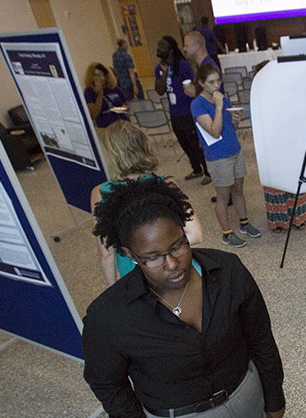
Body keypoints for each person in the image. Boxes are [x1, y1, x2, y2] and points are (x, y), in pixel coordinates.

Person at [83, 176, 285, 418]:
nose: (173, 264)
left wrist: (274, 395)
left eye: (178, 245)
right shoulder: (110, 317)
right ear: (129, 255)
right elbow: (107, 383)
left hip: (243, 399)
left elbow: (260, 338)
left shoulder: (228, 270)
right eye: (153, 257)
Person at [90, 120, 203, 286]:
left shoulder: (101, 193)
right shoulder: (166, 184)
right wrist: (166, 250)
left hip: (139, 277)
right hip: (179, 272)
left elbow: (106, 254)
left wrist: (114, 291)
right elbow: (196, 234)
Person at [191, 62, 261, 248]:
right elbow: (214, 131)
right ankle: (227, 234)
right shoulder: (197, 104)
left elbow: (230, 127)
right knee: (223, 197)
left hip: (234, 150)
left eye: (218, 81)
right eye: (211, 82)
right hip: (218, 156)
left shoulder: (221, 98)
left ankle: (244, 223)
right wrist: (219, 106)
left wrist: (236, 121)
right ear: (201, 83)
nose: (216, 86)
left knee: (238, 190)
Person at [155, 35, 211, 186]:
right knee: (184, 143)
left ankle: (207, 171)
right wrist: (164, 74)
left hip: (188, 111)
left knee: (195, 143)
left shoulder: (182, 65)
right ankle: (196, 169)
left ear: (171, 50)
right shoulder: (159, 69)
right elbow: (159, 91)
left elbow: (195, 84)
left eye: (162, 45)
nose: (159, 47)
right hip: (174, 113)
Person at [84, 62, 129, 129]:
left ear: (105, 76)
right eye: (94, 75)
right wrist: (99, 95)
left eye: (100, 75)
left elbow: (126, 106)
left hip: (121, 124)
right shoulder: (89, 92)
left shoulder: (114, 88)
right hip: (104, 128)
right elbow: (94, 114)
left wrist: (118, 109)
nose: (97, 78)